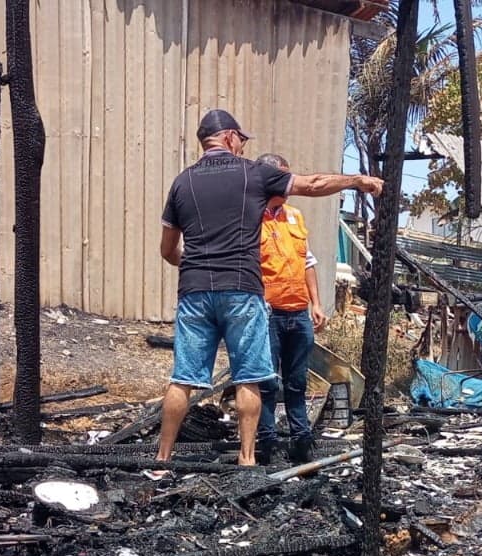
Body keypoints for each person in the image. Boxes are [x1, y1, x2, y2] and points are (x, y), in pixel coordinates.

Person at [158, 109, 382, 466]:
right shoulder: (253, 175)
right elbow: (312, 184)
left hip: (195, 292)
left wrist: (197, 266)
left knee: (183, 379)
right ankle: (247, 460)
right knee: (248, 376)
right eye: (242, 140)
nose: (243, 147)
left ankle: (161, 460)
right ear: (229, 137)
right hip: (242, 291)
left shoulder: (181, 183)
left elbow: (168, 250)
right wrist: (356, 180)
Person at [255, 152, 327, 465]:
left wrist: (317, 303)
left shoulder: (294, 216)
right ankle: (267, 441)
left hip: (298, 313)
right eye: (282, 177)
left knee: (297, 381)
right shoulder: (251, 217)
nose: (287, 184)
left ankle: (301, 439)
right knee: (268, 381)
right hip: (268, 313)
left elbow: (307, 262)